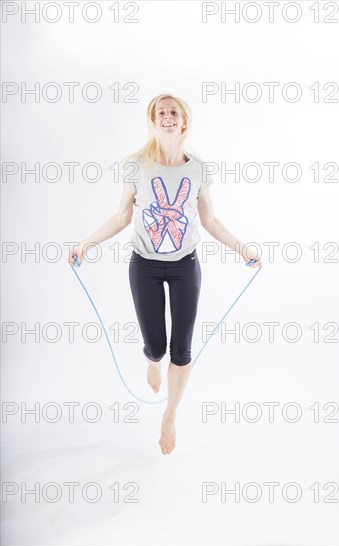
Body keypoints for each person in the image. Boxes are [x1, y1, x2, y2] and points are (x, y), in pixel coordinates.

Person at [68, 92, 262, 455]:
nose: (168, 117)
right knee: (156, 346)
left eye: (174, 112)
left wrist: (243, 249)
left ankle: (170, 415)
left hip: (185, 266)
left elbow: (210, 220)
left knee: (181, 349)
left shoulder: (199, 169)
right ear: (153, 120)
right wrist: (85, 244)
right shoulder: (135, 166)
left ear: (183, 120)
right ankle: (151, 363)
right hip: (144, 266)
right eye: (162, 112)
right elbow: (122, 217)